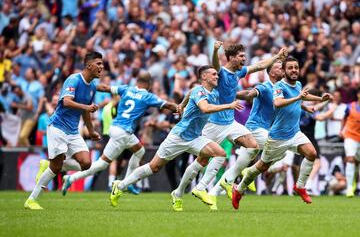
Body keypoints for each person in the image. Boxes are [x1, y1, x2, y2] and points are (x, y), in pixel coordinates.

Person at [109, 65, 243, 211]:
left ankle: (193, 190)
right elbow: (204, 108)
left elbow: (189, 92)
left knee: (220, 154)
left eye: (217, 75)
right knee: (154, 167)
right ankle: (120, 185)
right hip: (178, 136)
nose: (217, 76)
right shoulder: (199, 90)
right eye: (213, 74)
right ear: (204, 77)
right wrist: (229, 105)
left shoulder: (213, 93)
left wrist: (182, 105)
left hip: (195, 137)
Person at [176, 41, 288, 208]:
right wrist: (215, 50)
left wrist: (277, 57)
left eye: (244, 55)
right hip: (213, 124)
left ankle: (213, 185)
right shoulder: (219, 72)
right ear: (231, 58)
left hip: (230, 122)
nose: (245, 58)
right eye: (241, 56)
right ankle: (178, 192)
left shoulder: (239, 72)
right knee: (202, 161)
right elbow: (215, 64)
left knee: (253, 145)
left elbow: (259, 65)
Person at [231, 57, 333, 209]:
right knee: (262, 167)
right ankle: (239, 189)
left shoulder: (298, 84)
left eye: (296, 67)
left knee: (311, 153)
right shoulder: (278, 86)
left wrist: (320, 98)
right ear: (284, 71)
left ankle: (300, 186)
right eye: (290, 68)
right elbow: (278, 103)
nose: (294, 70)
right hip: (278, 136)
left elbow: (301, 97)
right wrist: (299, 97)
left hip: (295, 132)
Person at [61, 71, 179, 196]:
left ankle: (72, 179)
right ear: (148, 84)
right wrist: (180, 108)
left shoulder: (126, 89)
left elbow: (105, 88)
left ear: (136, 81)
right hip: (124, 132)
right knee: (106, 163)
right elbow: (169, 105)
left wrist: (88, 86)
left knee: (137, 152)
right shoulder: (148, 97)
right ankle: (126, 184)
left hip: (115, 128)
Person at [24, 52, 103, 210]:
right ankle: (31, 200)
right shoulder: (73, 79)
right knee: (56, 168)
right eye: (98, 63)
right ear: (88, 65)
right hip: (58, 127)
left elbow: (86, 112)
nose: (102, 67)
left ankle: (48, 164)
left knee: (86, 163)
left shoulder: (92, 87)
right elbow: (66, 102)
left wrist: (91, 131)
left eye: (102, 64)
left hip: (73, 131)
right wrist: (86, 107)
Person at [205, 60, 284, 210]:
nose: (283, 70)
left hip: (262, 131)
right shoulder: (265, 86)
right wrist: (231, 95)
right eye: (280, 68)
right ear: (272, 73)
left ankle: (215, 192)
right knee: (281, 147)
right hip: (254, 129)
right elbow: (249, 93)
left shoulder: (282, 89)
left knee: (235, 168)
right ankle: (250, 170)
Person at [341, 87, 360, 197]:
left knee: (357, 162)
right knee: (350, 158)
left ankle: (355, 184)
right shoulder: (349, 106)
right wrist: (341, 130)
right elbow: (344, 118)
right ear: (358, 94)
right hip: (350, 135)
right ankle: (349, 187)